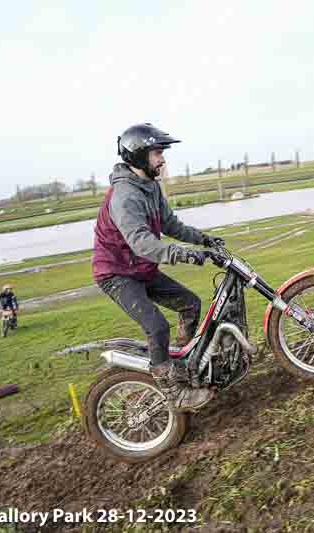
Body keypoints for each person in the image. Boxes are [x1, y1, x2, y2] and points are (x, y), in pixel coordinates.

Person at [92, 123, 225, 412]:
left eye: (161, 153)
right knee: (156, 326)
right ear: (139, 156)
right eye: (156, 153)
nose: (162, 160)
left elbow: (170, 224)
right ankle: (172, 391)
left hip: (141, 268)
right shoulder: (125, 196)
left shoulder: (150, 187)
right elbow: (141, 243)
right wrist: (186, 255)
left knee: (189, 304)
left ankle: (184, 367)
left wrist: (203, 239)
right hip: (116, 273)